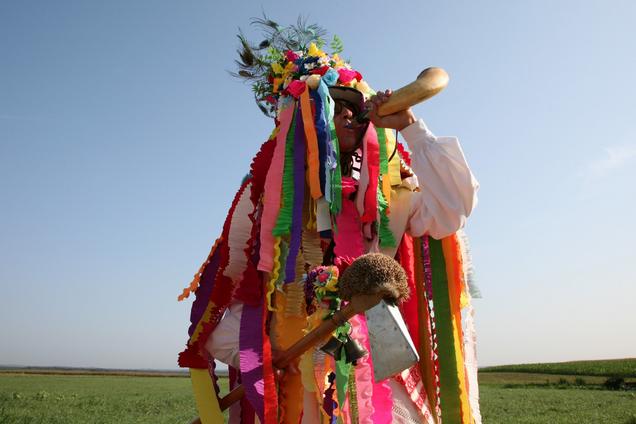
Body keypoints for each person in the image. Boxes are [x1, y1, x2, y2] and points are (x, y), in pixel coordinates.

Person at [178, 18, 481, 424]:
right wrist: (272, 344)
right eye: (326, 109)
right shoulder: (263, 202)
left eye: (351, 108)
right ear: (295, 126)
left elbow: (452, 207)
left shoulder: (394, 196)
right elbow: (218, 316)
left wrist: (410, 126)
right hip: (292, 386)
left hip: (380, 383)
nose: (344, 119)